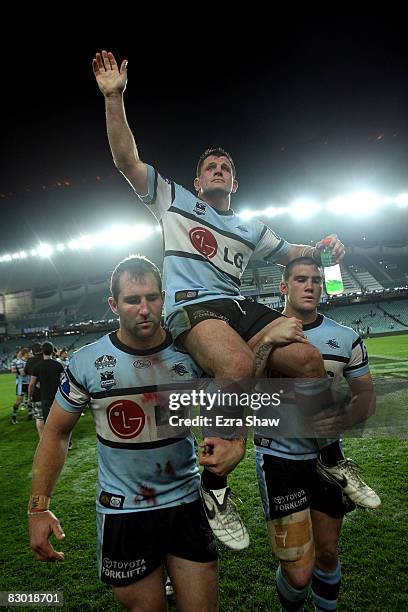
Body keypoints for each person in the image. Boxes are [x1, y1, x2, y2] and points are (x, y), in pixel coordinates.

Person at [92, 50, 346, 549]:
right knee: (233, 363)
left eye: (226, 166)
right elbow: (126, 160)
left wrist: (324, 246)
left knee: (311, 361)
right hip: (192, 303)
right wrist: (114, 97)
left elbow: (295, 250)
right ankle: (215, 490)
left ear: (234, 181)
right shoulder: (174, 202)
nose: (220, 170)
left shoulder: (251, 228)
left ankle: (333, 460)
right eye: (211, 165)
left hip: (236, 303)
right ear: (197, 181)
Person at [28, 256, 219, 612]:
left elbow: (224, 401)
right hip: (124, 511)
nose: (144, 309)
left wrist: (229, 437)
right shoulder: (88, 362)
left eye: (152, 298)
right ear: (113, 304)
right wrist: (38, 509)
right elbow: (55, 434)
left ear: (164, 298)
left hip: (186, 503)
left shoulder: (191, 351)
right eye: (132, 300)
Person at [255, 257, 378, 612]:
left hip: (328, 460)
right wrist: (266, 344)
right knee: (297, 574)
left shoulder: (344, 337)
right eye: (300, 279)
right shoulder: (260, 332)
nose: (309, 286)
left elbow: (365, 396)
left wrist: (344, 417)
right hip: (279, 460)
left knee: (327, 553)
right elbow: (237, 382)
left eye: (316, 280)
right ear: (284, 287)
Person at [28, 342, 64, 435]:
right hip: (58, 397)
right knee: (61, 420)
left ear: (42, 351)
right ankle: (67, 442)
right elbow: (64, 381)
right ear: (53, 351)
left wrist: (30, 397)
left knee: (48, 422)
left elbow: (32, 384)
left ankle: (48, 442)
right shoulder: (58, 365)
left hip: (45, 398)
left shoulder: (37, 367)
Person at [25, 343, 44, 437]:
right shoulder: (48, 359)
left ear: (32, 351)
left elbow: (26, 374)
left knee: (40, 418)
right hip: (52, 392)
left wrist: (29, 397)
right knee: (54, 417)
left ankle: (42, 440)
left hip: (36, 392)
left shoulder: (30, 361)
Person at [11, 348, 31, 424]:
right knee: (19, 400)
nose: (30, 354)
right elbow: (22, 373)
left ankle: (30, 414)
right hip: (21, 384)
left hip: (28, 383)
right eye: (29, 353)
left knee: (30, 399)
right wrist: (32, 370)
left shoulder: (29, 361)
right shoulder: (19, 362)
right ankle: (14, 416)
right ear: (25, 354)